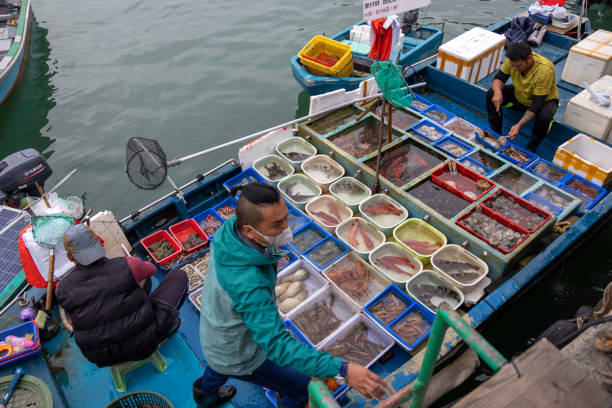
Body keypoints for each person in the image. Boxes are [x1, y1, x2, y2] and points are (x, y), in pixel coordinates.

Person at [194, 183, 386, 408]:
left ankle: (204, 396)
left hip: (215, 332)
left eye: (286, 217)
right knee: (303, 387)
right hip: (241, 355)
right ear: (248, 230)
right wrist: (343, 369)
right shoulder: (248, 283)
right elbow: (277, 346)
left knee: (217, 363)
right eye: (277, 225)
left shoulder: (229, 232)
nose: (287, 228)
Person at [55, 223, 189, 367]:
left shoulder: (62, 288)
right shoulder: (127, 265)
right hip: (145, 345)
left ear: (70, 257)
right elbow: (151, 270)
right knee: (178, 276)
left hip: (102, 357)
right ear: (99, 245)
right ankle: (166, 329)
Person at [486, 41, 559, 152]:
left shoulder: (545, 70)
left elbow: (536, 104)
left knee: (545, 116)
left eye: (518, 66)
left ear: (529, 58)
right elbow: (499, 78)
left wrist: (519, 125)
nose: (515, 68)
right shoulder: (512, 60)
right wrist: (497, 93)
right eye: (513, 65)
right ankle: (495, 135)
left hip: (543, 102)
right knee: (491, 93)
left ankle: (531, 149)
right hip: (520, 95)